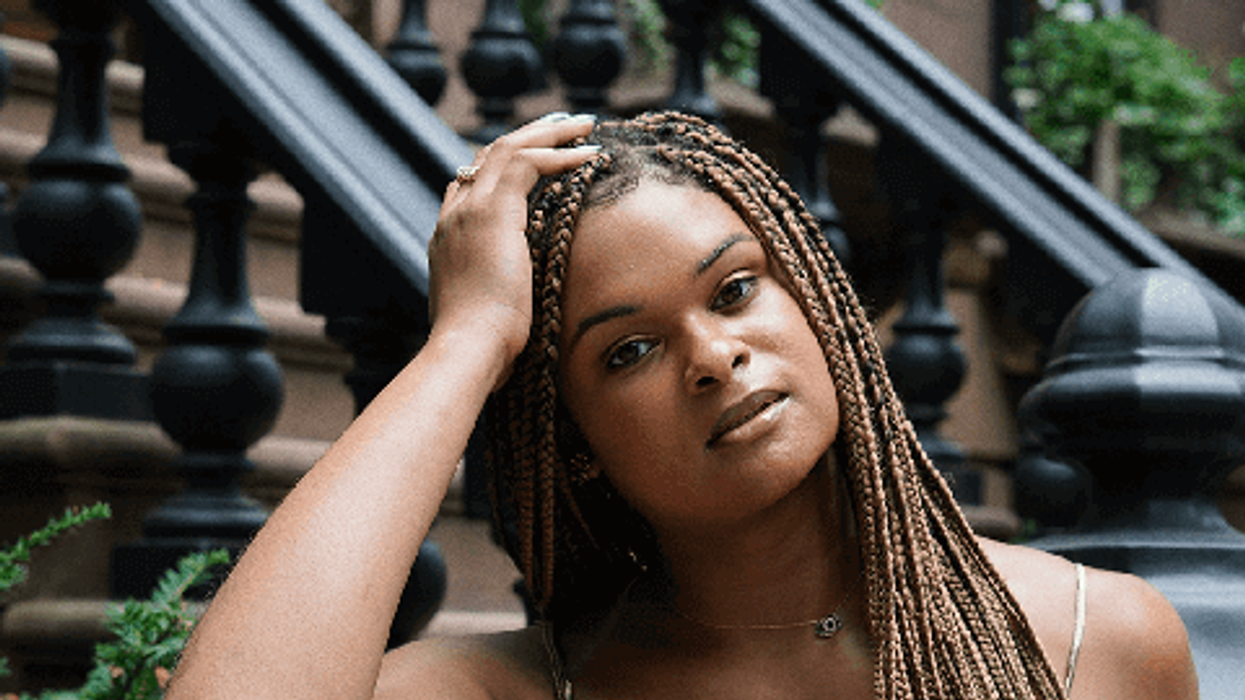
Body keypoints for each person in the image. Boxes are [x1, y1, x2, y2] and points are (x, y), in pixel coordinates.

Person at [165, 112, 1199, 700]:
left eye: (736, 289)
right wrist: (466, 341)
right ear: (576, 439)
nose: (711, 356)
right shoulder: (520, 690)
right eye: (628, 351)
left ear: (821, 306)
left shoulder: (1098, 641)